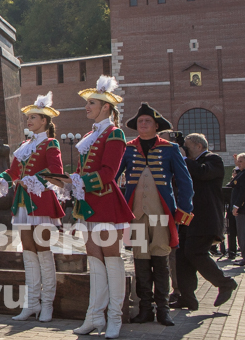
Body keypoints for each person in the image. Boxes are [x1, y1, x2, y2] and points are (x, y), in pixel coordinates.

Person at [0, 91, 65, 322]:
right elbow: (13, 171)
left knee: (43, 251)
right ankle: (32, 303)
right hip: (23, 204)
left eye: (33, 117)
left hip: (41, 203)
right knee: (28, 252)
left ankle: (47, 305)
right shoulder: (25, 145)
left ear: (44, 121)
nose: (29, 121)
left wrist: (33, 180)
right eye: (28, 117)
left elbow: (57, 173)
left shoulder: (51, 143)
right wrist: (0, 179)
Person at [117, 104, 193, 327]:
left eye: (147, 121)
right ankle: (145, 309)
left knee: (161, 260)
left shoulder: (170, 148)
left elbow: (185, 182)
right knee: (140, 261)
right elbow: (113, 176)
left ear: (156, 126)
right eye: (140, 121)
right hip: (136, 215)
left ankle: (163, 309)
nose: (143, 124)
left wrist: (184, 210)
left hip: (161, 213)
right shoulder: (128, 148)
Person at [70, 76, 134, 339]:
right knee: (94, 260)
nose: (87, 107)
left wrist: (79, 181)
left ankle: (115, 317)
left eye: (92, 103)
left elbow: (109, 173)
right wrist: (68, 181)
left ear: (106, 107)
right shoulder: (89, 135)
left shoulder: (114, 133)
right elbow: (81, 169)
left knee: (112, 259)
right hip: (88, 203)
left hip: (106, 201)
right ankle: (95, 316)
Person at [172, 133, 237, 311]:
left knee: (195, 252)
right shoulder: (188, 163)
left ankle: (225, 283)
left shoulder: (213, 159)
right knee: (182, 257)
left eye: (187, 146)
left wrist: (183, 157)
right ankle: (187, 298)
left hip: (205, 218)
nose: (185, 149)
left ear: (198, 146)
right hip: (187, 217)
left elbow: (202, 173)